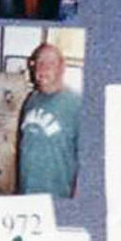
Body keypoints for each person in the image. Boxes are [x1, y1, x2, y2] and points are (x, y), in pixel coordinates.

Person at [15, 42, 82, 199]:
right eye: (39, 62)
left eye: (50, 63)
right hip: (25, 193)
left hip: (57, 197)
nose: (42, 69)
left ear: (62, 68)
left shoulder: (77, 104)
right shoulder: (31, 99)